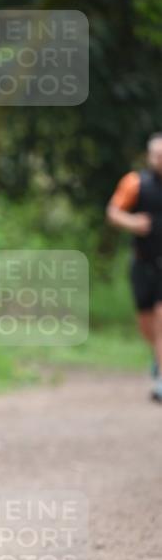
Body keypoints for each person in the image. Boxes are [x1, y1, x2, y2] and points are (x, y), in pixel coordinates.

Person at [106, 133, 162, 402]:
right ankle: (157, 356)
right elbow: (113, 212)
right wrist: (133, 223)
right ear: (150, 157)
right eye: (158, 156)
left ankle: (161, 380)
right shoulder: (135, 183)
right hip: (142, 262)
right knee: (147, 324)